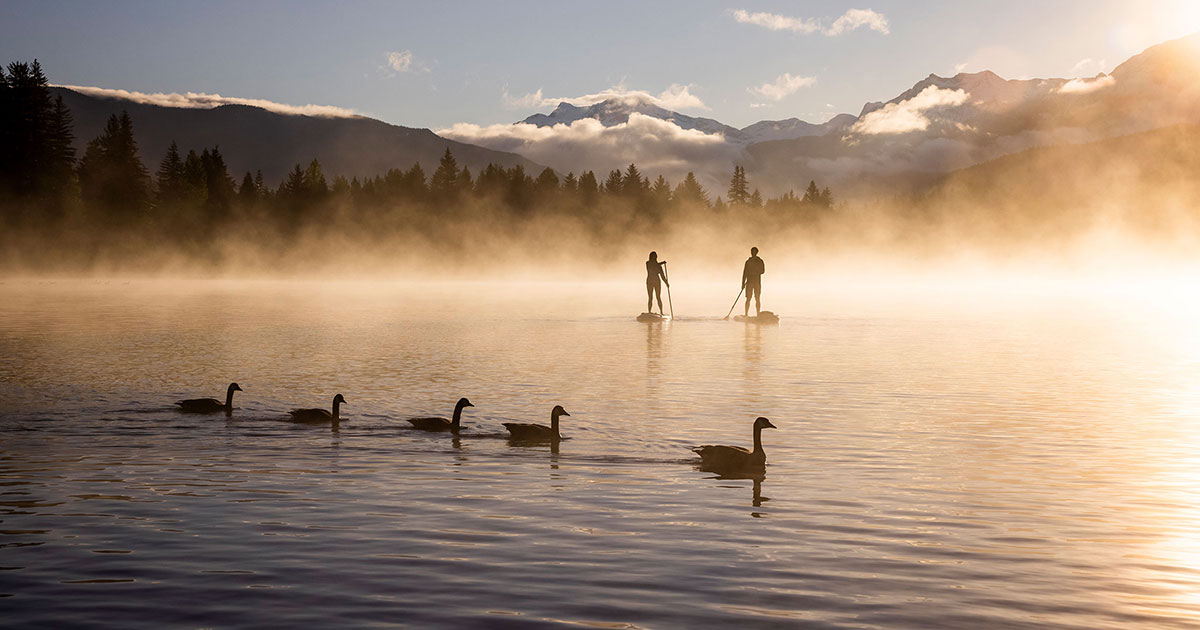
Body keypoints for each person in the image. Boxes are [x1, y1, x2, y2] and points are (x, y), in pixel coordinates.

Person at [742, 246, 764, 317]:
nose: (753, 253)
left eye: (754, 252)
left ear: (756, 253)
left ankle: (758, 314)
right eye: (752, 252)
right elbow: (744, 273)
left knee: (757, 298)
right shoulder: (748, 262)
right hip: (749, 283)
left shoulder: (760, 261)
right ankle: (746, 314)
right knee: (748, 298)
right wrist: (742, 284)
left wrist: (754, 273)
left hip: (757, 283)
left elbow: (762, 271)